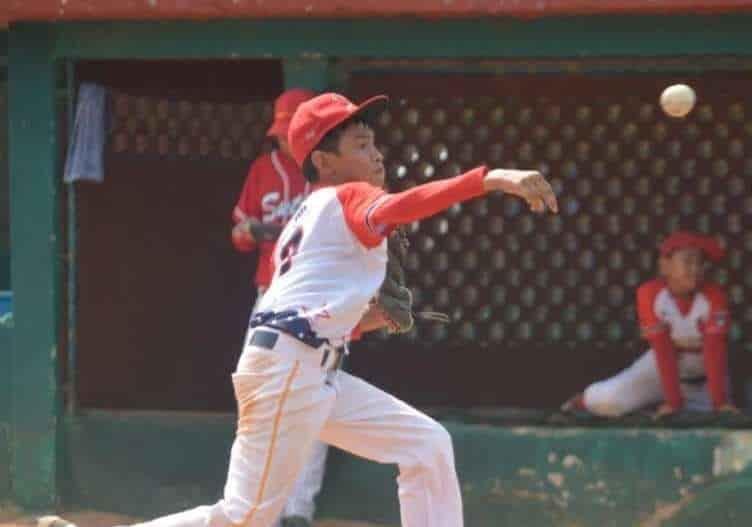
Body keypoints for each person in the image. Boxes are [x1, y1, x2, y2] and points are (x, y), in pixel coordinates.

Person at [54, 92, 557, 527]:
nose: (377, 154)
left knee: (425, 445)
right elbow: (403, 206)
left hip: (306, 367)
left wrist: (364, 323)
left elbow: (303, 311)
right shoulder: (345, 197)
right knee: (245, 516)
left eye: (374, 142)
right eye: (361, 145)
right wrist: (490, 179)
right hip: (289, 372)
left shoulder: (314, 213)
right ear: (323, 161)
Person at [230, 88, 327, 527]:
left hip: (318, 298)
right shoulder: (261, 170)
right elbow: (238, 233)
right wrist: (254, 231)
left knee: (314, 399)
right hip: (269, 293)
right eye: (284, 132)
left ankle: (299, 509)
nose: (288, 141)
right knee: (258, 395)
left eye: (295, 131)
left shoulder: (331, 175)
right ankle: (257, 505)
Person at [561, 230, 737, 419]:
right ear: (665, 265)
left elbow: (714, 351)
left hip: (704, 379)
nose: (695, 269)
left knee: (712, 420)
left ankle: (659, 404)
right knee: (607, 400)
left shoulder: (714, 296)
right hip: (658, 371)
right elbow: (663, 350)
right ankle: (582, 400)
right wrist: (673, 402)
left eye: (700, 263)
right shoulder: (650, 294)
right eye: (687, 261)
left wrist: (719, 403)